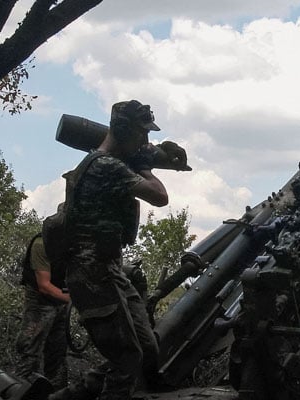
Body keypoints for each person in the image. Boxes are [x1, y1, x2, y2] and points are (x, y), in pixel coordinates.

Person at [56, 100, 185, 400]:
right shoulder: (107, 167)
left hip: (108, 270)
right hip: (93, 275)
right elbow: (160, 196)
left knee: (146, 347)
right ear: (123, 130)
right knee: (128, 359)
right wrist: (144, 166)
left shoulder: (102, 162)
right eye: (142, 135)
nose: (145, 141)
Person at [15, 205, 70, 390]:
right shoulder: (41, 244)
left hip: (61, 299)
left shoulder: (73, 243)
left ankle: (56, 391)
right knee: (30, 349)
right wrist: (74, 299)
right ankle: (22, 389)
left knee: (58, 349)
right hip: (40, 301)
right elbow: (44, 286)